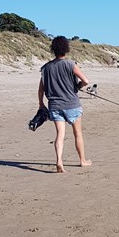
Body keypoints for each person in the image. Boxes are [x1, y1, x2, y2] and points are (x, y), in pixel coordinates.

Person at [38, 36, 91, 172]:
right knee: (77, 133)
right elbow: (86, 81)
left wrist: (41, 104)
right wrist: (77, 86)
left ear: (53, 49)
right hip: (72, 103)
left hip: (54, 105)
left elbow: (41, 89)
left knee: (60, 134)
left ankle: (59, 161)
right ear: (66, 49)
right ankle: (82, 161)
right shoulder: (70, 64)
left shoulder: (46, 68)